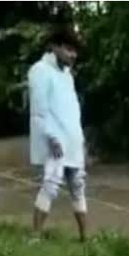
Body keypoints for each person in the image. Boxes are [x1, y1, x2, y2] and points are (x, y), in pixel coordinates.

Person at [28, 26, 87, 241]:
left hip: (73, 139)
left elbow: (72, 109)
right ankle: (35, 237)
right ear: (55, 47)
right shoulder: (39, 70)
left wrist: (80, 139)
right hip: (55, 139)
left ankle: (85, 238)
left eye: (75, 51)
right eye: (69, 49)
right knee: (51, 184)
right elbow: (39, 110)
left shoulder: (67, 75)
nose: (73, 55)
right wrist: (50, 136)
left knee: (78, 186)